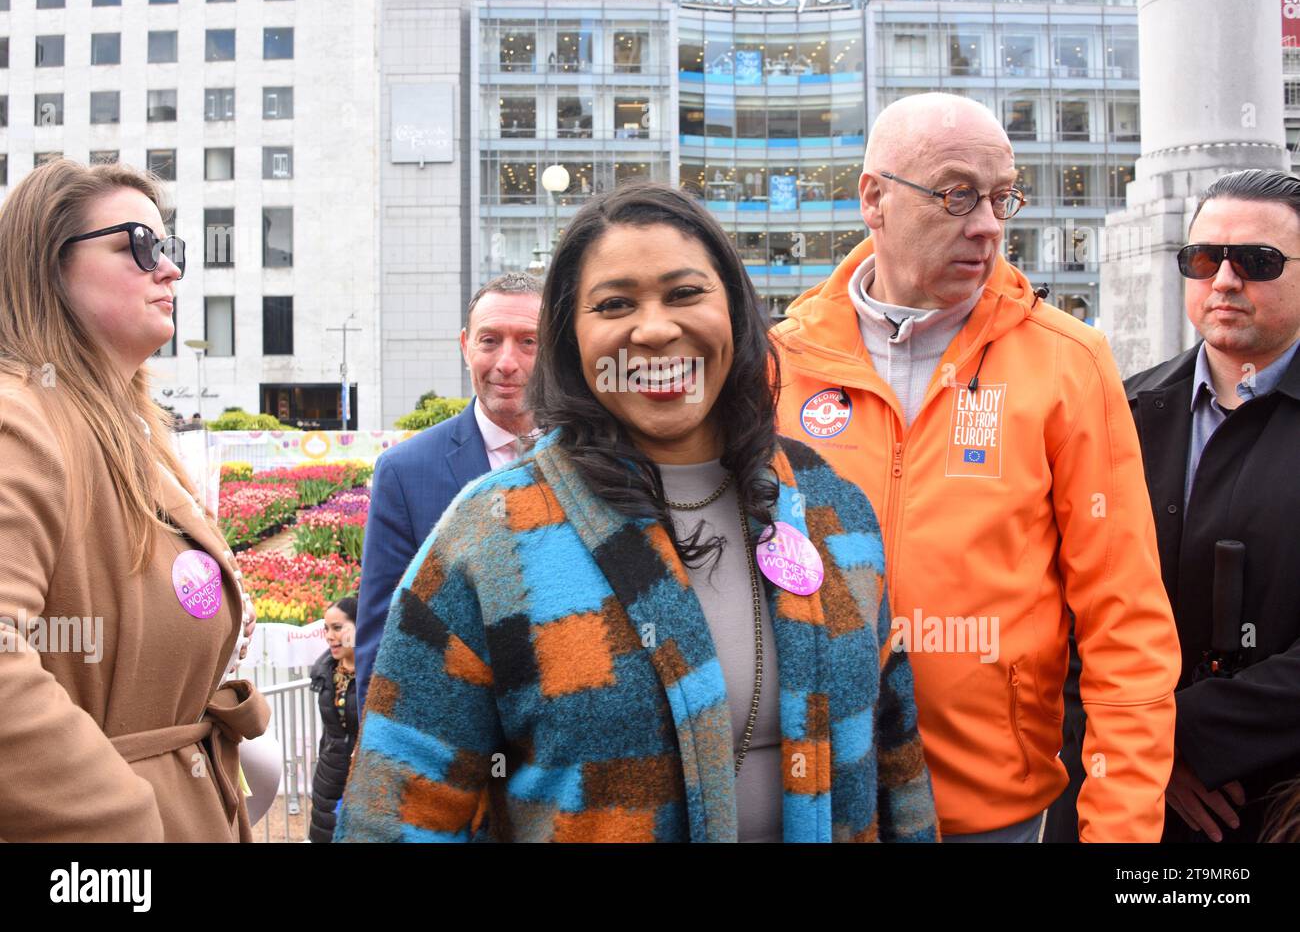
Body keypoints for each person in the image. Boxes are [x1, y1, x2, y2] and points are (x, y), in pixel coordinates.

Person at [336, 182, 938, 842]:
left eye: (684, 293)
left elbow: (897, 762)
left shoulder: (833, 507)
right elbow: (397, 808)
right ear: (571, 338)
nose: (654, 328)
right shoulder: (490, 538)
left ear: (735, 311)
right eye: (615, 304)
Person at [771, 92, 1181, 843]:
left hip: (991, 811)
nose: (988, 224)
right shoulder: (780, 363)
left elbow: (1125, 619)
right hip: (815, 801)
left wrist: (1121, 836)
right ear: (875, 199)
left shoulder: (1068, 361)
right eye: (958, 193)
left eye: (1002, 197)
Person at [0, 159, 266, 842]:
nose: (169, 269)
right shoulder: (20, 418)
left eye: (168, 247)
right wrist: (128, 820)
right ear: (46, 267)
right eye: (136, 246)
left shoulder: (123, 427)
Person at [1113, 169, 1299, 843]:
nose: (1224, 280)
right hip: (1128, 796)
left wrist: (1183, 734)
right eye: (1203, 258)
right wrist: (1148, 748)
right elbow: (1062, 604)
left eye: (1257, 261)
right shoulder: (1119, 411)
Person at [354, 272, 543, 715]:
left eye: (529, 342)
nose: (507, 362)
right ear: (465, 346)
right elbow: (384, 636)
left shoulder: (596, 458)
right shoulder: (405, 472)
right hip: (461, 746)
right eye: (490, 340)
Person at [309, 596, 359, 844]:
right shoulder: (324, 673)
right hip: (328, 780)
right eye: (326, 629)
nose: (329, 636)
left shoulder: (377, 677)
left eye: (338, 628)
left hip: (363, 781)